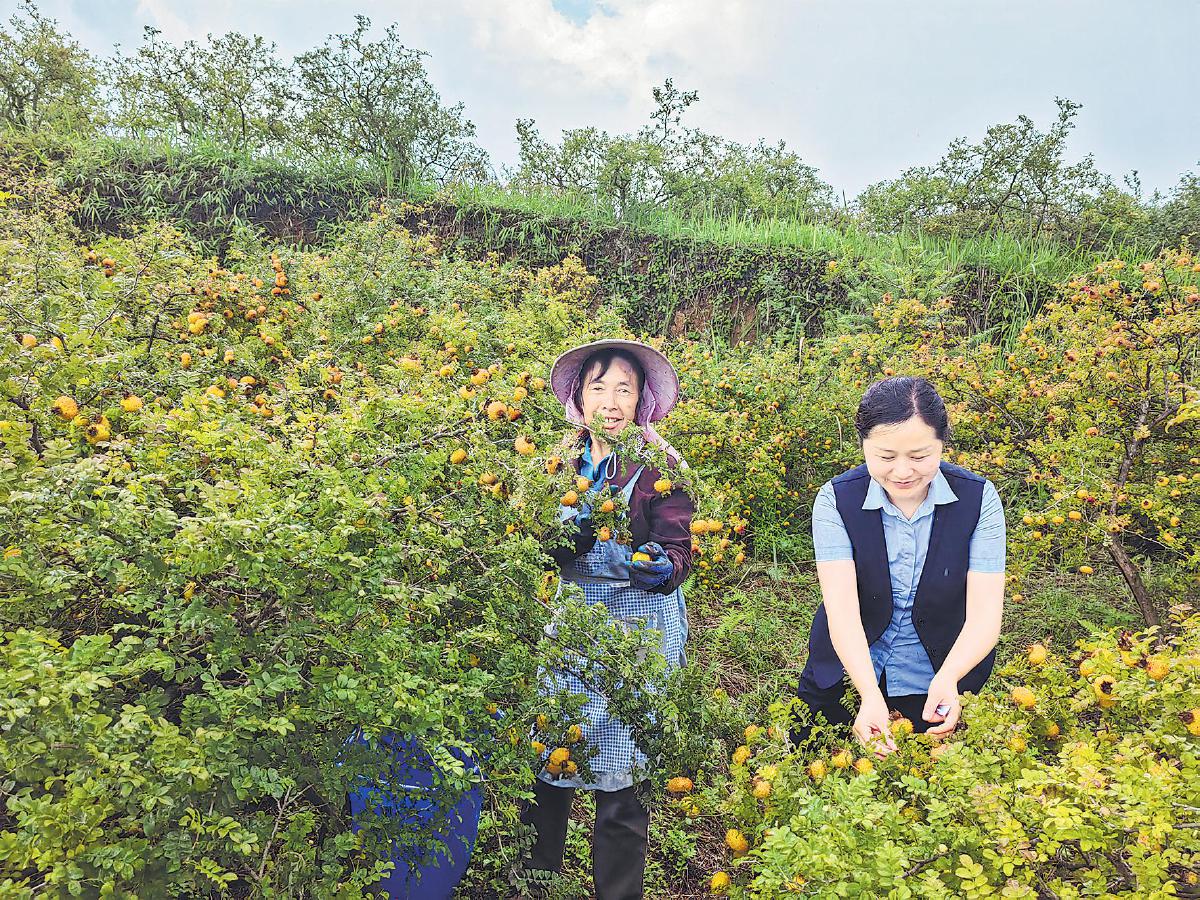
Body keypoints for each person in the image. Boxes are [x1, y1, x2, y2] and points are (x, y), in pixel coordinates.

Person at [520, 339, 694, 900]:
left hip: (640, 631)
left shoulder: (661, 466)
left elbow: (679, 548)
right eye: (599, 388)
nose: (611, 402)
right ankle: (537, 880)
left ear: (642, 400)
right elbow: (534, 543)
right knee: (555, 744)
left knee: (628, 758)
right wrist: (559, 540)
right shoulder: (556, 465)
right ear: (580, 396)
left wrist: (660, 566)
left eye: (625, 389)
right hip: (574, 622)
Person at [796, 376, 1006, 755]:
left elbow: (985, 616)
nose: (903, 471)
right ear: (863, 445)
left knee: (925, 780)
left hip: (937, 679)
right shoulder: (835, 500)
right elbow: (842, 612)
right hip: (846, 672)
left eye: (920, 456)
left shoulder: (978, 499)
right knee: (817, 766)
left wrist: (949, 678)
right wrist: (868, 694)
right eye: (886, 457)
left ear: (942, 443)